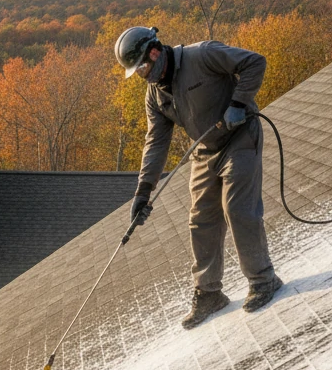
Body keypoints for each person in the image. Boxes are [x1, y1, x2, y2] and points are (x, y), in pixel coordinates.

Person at [115, 26, 282, 329]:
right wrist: (143, 191)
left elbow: (255, 62)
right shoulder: (155, 95)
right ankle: (209, 293)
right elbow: (156, 142)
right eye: (136, 71)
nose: (141, 74)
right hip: (205, 150)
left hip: (240, 136)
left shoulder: (202, 55)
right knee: (200, 217)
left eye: (142, 67)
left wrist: (239, 103)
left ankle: (263, 279)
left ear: (154, 52)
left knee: (237, 208)